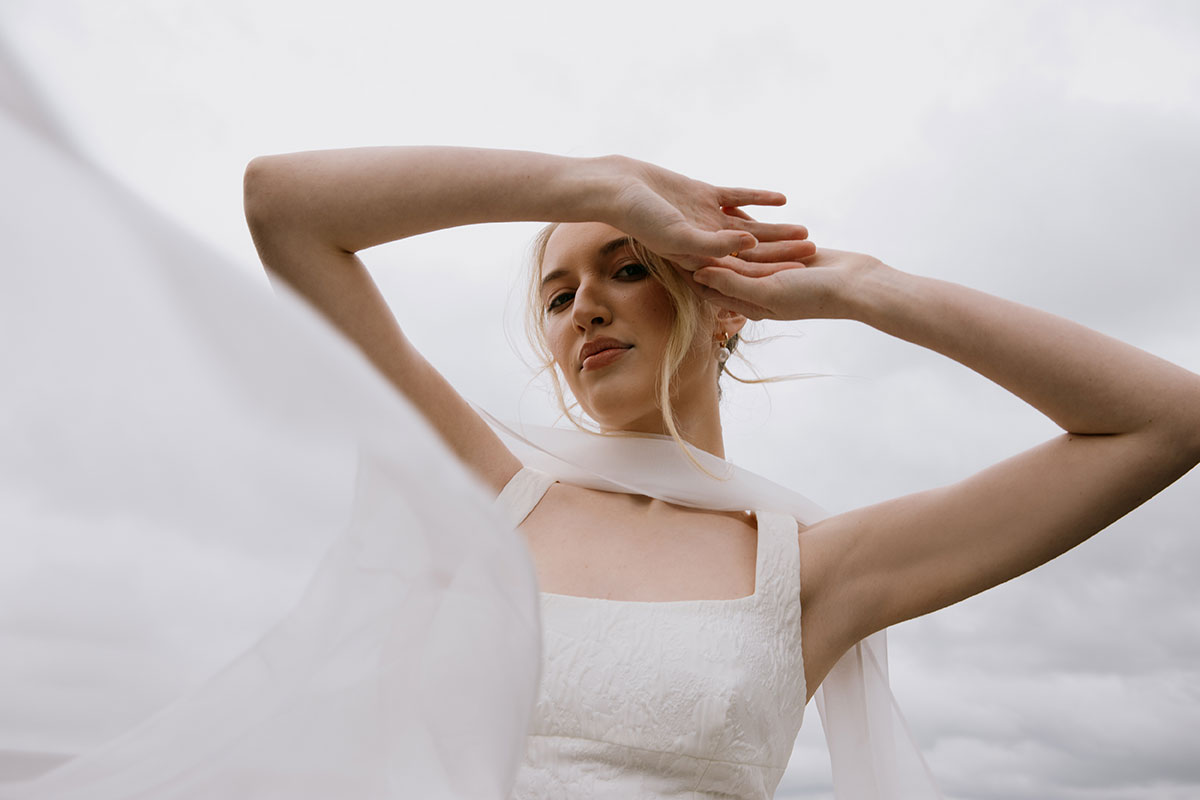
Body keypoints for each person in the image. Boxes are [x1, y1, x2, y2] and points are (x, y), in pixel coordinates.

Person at [240, 145, 1200, 798]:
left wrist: (872, 291)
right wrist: (595, 182)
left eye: (626, 269)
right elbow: (283, 209)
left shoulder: (814, 571)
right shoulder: (491, 494)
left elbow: (1165, 422)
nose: (583, 311)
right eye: (559, 295)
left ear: (725, 304)